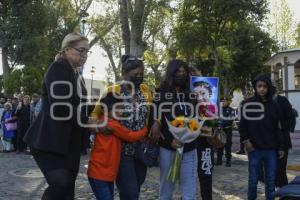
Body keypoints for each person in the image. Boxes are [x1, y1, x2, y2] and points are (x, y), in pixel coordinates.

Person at [23, 32, 90, 200]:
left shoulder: (78, 76)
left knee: (67, 192)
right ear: (67, 49)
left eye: (87, 51)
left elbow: (82, 106)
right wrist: (89, 121)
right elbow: (60, 106)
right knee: (61, 184)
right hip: (49, 141)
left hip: (68, 143)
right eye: (81, 50)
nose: (85, 55)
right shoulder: (59, 68)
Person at [90, 55, 152, 200]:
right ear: (124, 75)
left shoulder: (145, 90)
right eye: (135, 74)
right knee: (130, 192)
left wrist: (156, 123)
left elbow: (153, 111)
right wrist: (101, 127)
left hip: (140, 148)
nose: (139, 77)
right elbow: (94, 115)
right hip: (121, 150)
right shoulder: (112, 91)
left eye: (141, 74)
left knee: (136, 184)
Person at [151, 59, 198, 200]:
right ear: (171, 72)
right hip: (168, 148)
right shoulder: (160, 94)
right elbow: (155, 121)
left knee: (189, 189)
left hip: (190, 148)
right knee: (166, 188)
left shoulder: (192, 95)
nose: (181, 74)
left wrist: (193, 132)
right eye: (178, 71)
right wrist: (170, 141)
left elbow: (196, 119)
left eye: (184, 72)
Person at [87, 93, 148, 200]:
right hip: (101, 174)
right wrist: (145, 130)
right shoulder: (112, 124)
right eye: (117, 109)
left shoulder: (103, 120)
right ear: (106, 110)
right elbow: (130, 136)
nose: (121, 112)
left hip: (101, 173)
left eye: (121, 108)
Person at [239, 73, 285, 200]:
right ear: (256, 87)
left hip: (271, 150)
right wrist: (246, 141)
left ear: (268, 87)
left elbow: (278, 127)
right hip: (254, 149)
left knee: (270, 181)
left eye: (264, 86)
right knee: (253, 180)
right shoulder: (247, 104)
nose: (262, 89)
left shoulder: (274, 105)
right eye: (259, 86)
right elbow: (242, 125)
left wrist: (281, 147)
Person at [272, 86, 294, 187]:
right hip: (268, 142)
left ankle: (284, 192)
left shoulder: (283, 101)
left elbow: (291, 120)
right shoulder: (264, 102)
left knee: (280, 170)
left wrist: (281, 124)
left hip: (283, 141)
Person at [216, 97, 235, 167]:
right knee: (219, 144)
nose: (223, 102)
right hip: (220, 130)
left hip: (227, 130)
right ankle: (219, 160)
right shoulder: (218, 110)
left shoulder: (231, 110)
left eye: (225, 101)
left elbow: (230, 119)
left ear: (228, 102)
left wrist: (221, 124)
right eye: (222, 101)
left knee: (228, 145)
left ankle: (228, 160)